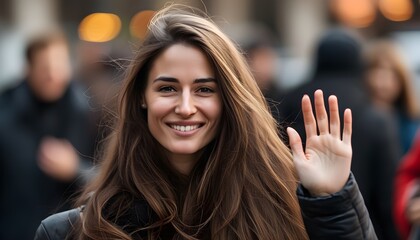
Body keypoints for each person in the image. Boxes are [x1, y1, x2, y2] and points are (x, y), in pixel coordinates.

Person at [34, 6, 376, 239]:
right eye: (167, 87)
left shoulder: (283, 207)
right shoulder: (74, 232)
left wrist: (332, 200)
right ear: (142, 96)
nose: (185, 107)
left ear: (229, 98)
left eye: (204, 89)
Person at [280, 28, 399, 239]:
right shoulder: (374, 112)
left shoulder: (287, 101)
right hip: (360, 226)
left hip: (292, 226)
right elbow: (387, 194)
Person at [0, 32, 95, 239]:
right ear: (28, 69)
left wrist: (76, 170)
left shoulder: (89, 114)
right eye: (45, 68)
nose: (53, 75)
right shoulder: (5, 116)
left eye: (59, 66)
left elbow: (111, 176)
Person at [364, 40, 419, 154]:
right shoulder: (357, 120)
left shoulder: (412, 122)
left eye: (390, 74)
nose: (380, 83)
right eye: (375, 72)